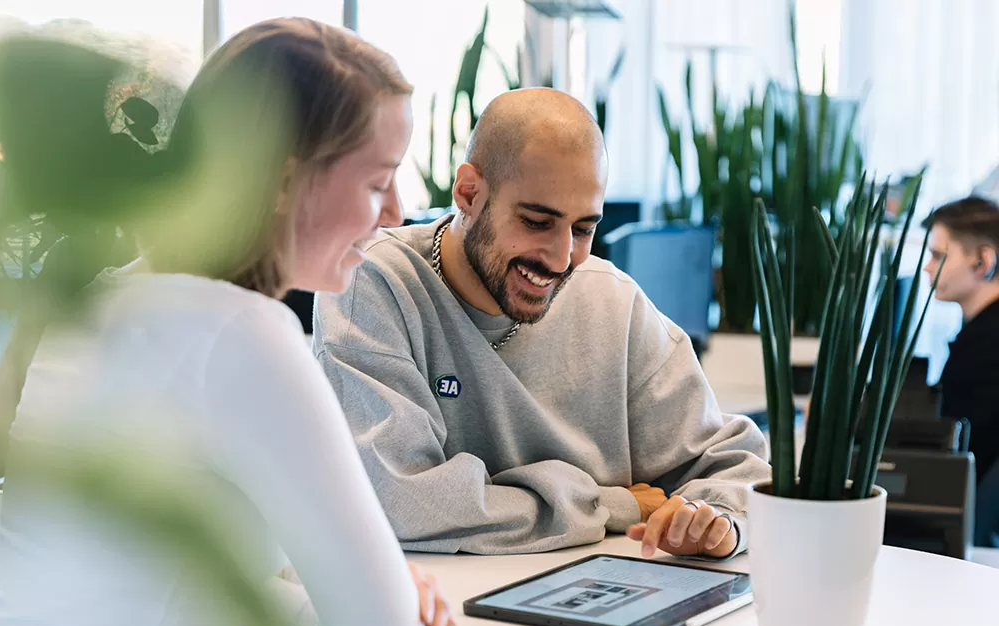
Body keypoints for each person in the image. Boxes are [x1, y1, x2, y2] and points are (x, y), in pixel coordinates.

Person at [0, 20, 456, 626]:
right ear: (281, 181)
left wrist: (342, 610)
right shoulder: (243, 331)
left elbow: (171, 579)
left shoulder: (108, 300)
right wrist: (393, 606)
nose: (394, 213)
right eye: (377, 182)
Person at [314, 88, 770, 559]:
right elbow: (398, 502)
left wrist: (719, 522)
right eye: (537, 222)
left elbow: (742, 470)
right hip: (441, 615)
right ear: (469, 193)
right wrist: (610, 505)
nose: (561, 257)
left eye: (584, 229)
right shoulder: (371, 283)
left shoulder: (613, 303)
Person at [922, 196, 999, 540]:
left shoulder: (985, 348)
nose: (927, 267)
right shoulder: (980, 335)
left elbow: (960, 449)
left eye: (938, 255)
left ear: (982, 262)